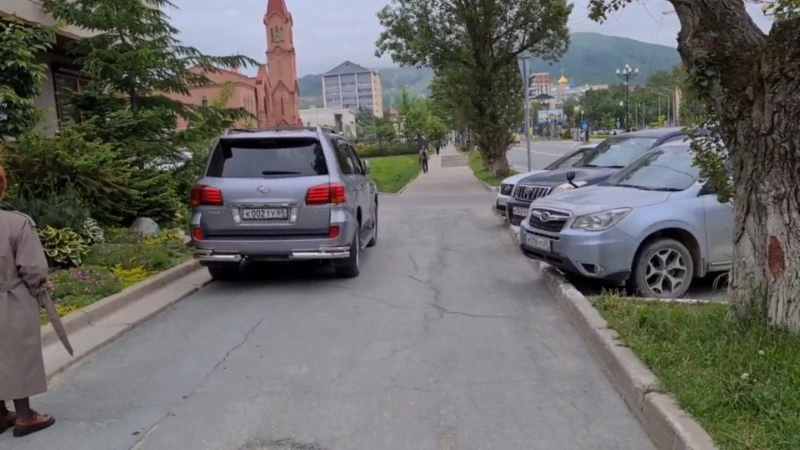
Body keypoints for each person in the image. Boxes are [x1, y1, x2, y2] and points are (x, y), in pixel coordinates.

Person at [0, 163, 57, 438]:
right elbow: (33, 269)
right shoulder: (16, 223)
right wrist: (37, 288)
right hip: (10, 296)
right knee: (17, 352)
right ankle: (25, 416)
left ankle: (1, 413)